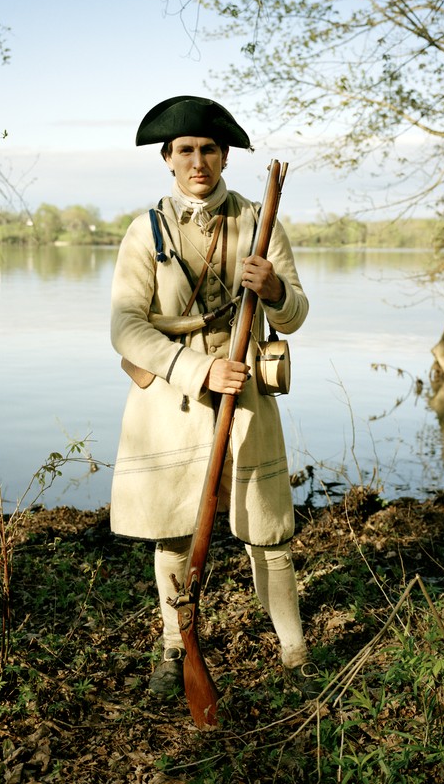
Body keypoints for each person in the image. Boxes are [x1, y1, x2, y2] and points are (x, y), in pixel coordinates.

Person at [110, 95, 320, 700]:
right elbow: (126, 327)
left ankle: (295, 654)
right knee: (173, 533)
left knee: (270, 531)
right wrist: (197, 370)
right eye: (185, 151)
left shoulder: (261, 219)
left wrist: (275, 289)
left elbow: (299, 313)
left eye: (207, 149)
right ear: (167, 160)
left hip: (248, 393)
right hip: (172, 398)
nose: (197, 161)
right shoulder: (142, 230)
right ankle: (177, 650)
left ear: (224, 155)